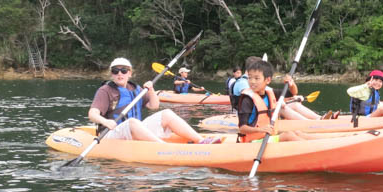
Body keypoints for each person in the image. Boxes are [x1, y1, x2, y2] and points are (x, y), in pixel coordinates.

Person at [89, 58, 220, 143]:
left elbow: (154, 105)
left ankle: (201, 140)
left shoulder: (135, 88)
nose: (119, 74)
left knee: (166, 113)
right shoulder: (105, 90)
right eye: (115, 71)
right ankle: (163, 148)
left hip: (133, 132)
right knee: (133, 122)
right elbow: (92, 114)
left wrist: (151, 90)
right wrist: (105, 121)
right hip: (111, 134)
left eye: (123, 70)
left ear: (130, 73)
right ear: (111, 74)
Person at [236, 59, 307, 142]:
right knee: (288, 135)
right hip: (253, 142)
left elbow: (293, 93)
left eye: (256, 78)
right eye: (250, 78)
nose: (252, 81)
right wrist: (261, 130)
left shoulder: (270, 92)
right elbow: (242, 128)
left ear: (268, 80)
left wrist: (291, 84)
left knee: (297, 133)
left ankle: (320, 145)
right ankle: (313, 151)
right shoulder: (247, 100)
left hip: (268, 137)